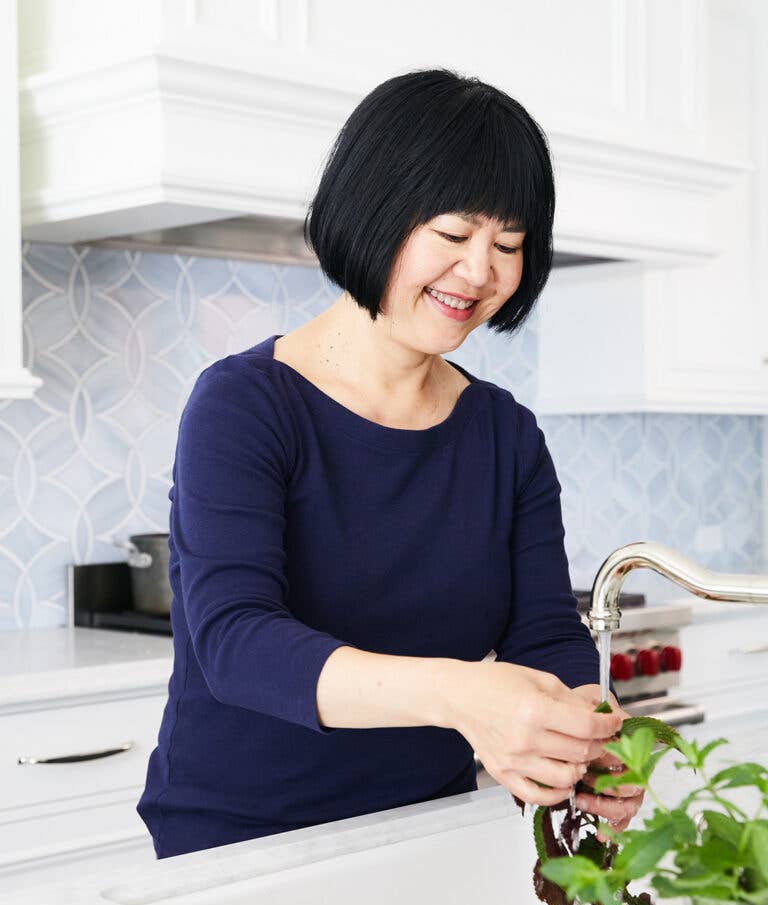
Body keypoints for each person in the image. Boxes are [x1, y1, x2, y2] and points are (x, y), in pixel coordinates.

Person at [136, 67, 644, 860]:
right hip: (236, 847)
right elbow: (235, 642)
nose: (480, 272)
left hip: (424, 834)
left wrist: (576, 737)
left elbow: (542, 633)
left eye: (507, 245)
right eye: (452, 234)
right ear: (374, 210)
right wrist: (462, 694)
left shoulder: (506, 436)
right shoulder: (245, 405)